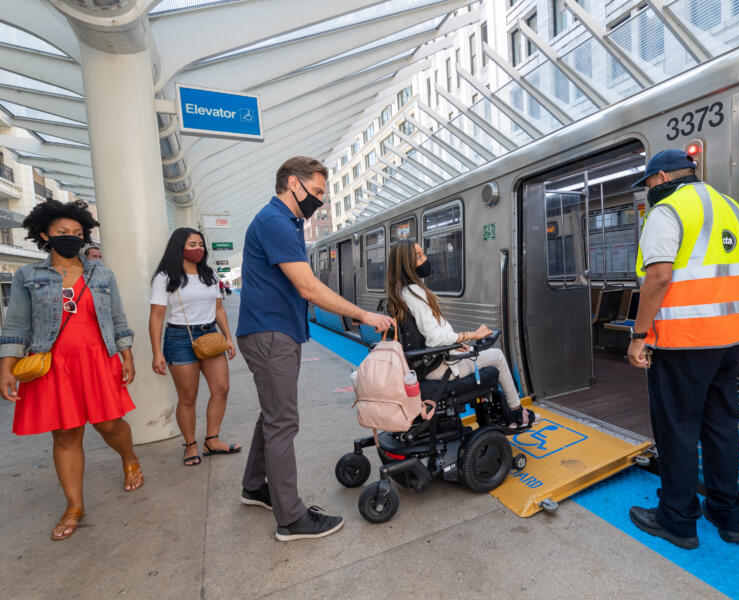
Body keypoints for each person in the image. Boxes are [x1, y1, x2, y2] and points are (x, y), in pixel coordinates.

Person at [236, 156, 393, 542]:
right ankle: (291, 519)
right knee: (283, 423)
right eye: (317, 192)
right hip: (271, 334)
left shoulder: (281, 222)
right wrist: (363, 315)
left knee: (272, 416)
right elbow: (308, 287)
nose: (319, 201)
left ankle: (255, 486)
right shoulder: (276, 222)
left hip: (272, 331)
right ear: (294, 183)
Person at [626, 149, 739, 549]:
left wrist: (638, 335)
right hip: (733, 338)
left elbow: (659, 276)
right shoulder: (735, 210)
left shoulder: (666, 212)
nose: (649, 191)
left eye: (649, 184)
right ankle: (727, 513)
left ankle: (678, 520)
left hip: (685, 342)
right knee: (722, 426)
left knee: (678, 430)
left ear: (662, 177)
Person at [0, 200, 142, 541]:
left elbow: (118, 318)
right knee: (65, 433)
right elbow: (16, 324)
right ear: (45, 234)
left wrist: (127, 355)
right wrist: (7, 367)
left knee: (109, 423)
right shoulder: (27, 275)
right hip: (51, 364)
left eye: (78, 233)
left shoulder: (101, 273)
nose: (71, 238)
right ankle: (74, 506)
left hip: (97, 359)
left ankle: (129, 457)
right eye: (63, 233)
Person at [386, 239, 534, 427]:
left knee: (482, 356)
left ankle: (507, 413)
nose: (425, 259)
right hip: (440, 368)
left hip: (430, 363)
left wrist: (456, 344)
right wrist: (472, 335)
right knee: (496, 355)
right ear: (406, 265)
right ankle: (517, 414)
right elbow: (435, 337)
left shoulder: (400, 293)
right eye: (418, 256)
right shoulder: (415, 293)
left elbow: (428, 335)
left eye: (423, 253)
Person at [149, 227, 240, 467]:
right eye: (192, 245)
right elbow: (157, 316)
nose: (198, 249)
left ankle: (212, 439)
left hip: (210, 335)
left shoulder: (208, 273)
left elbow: (218, 308)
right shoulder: (165, 277)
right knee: (188, 397)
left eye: (200, 244)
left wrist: (228, 337)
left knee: (221, 388)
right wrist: (157, 352)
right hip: (179, 339)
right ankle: (190, 444)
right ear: (179, 247)